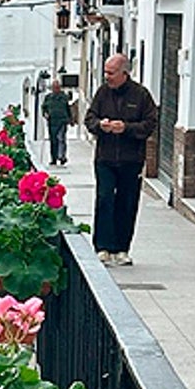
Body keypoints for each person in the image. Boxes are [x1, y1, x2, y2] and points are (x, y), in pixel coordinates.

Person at [84, 53, 158, 267]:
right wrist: (101, 125)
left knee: (127, 202)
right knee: (105, 198)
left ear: (124, 73)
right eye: (106, 72)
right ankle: (102, 247)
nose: (107, 76)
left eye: (111, 73)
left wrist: (126, 128)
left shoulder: (141, 95)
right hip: (105, 158)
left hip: (131, 159)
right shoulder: (102, 93)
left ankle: (122, 248)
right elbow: (90, 118)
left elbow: (150, 124)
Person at [41, 79, 74, 167]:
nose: (56, 89)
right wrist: (45, 114)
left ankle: (62, 157)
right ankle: (54, 158)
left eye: (57, 87)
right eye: (54, 87)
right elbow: (44, 108)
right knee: (53, 141)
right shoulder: (48, 97)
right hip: (52, 122)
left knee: (61, 138)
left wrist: (71, 119)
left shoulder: (64, 97)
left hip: (62, 121)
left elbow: (68, 108)